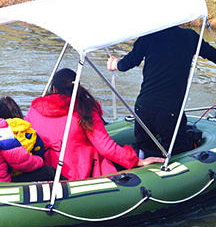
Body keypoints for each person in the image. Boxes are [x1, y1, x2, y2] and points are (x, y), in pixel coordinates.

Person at [107, 26, 216, 158]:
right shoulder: (190, 36)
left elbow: (127, 64)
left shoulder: (148, 36)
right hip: (170, 111)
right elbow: (211, 53)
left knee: (144, 152)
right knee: (179, 154)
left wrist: (115, 64)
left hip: (143, 108)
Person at [25, 68, 164, 181]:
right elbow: (105, 147)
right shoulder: (85, 109)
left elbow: (26, 140)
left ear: (54, 88)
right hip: (77, 176)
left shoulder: (35, 108)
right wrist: (137, 161)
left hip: (43, 171)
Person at [0, 96, 54, 181]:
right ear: (18, 112)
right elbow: (41, 159)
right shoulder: (30, 133)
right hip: (24, 177)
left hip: (2, 178)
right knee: (49, 171)